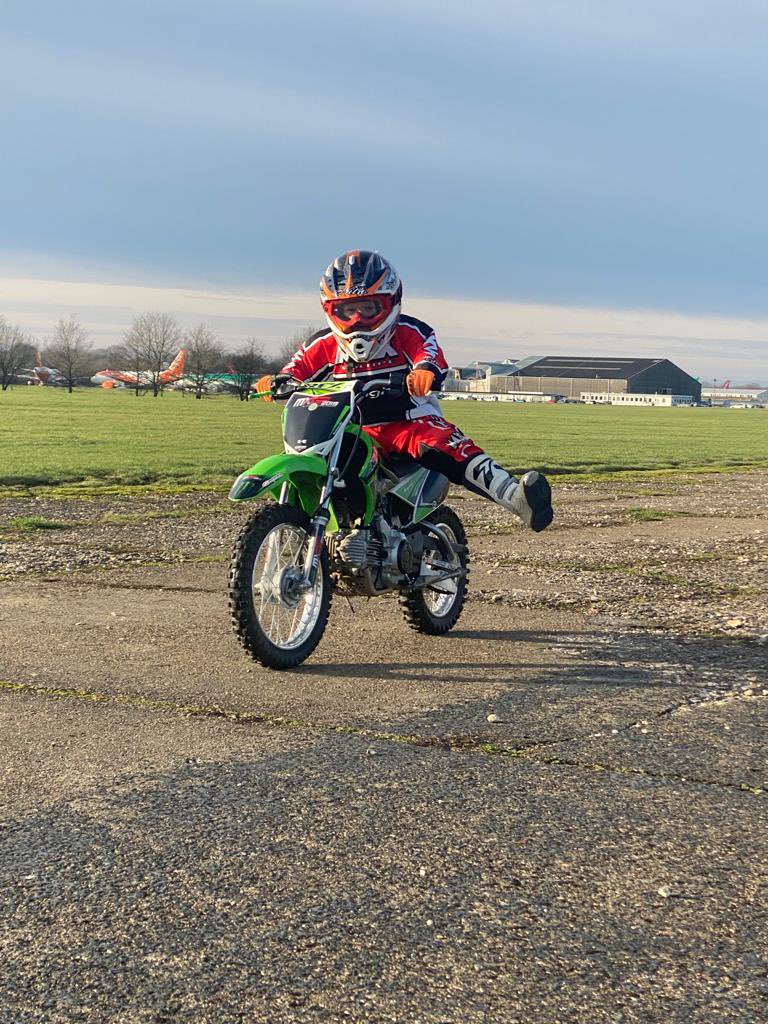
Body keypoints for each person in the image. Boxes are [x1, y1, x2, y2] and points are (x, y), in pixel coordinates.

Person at [256, 250, 553, 531]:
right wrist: (276, 381)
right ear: (331, 310)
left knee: (441, 443)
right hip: (345, 426)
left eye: (368, 307)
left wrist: (424, 371)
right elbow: (295, 369)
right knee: (312, 457)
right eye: (348, 310)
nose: (357, 319)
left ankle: (514, 495)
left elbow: (429, 354)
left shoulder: (410, 331)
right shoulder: (322, 344)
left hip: (406, 420)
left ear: (390, 302)